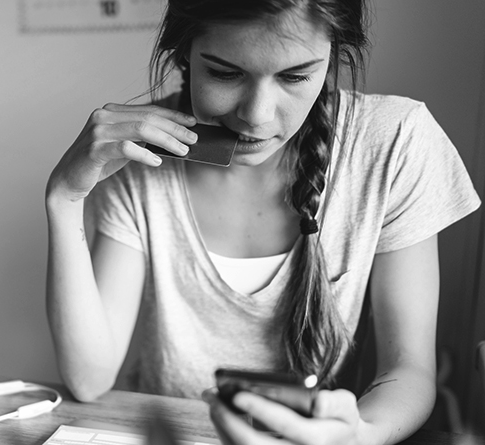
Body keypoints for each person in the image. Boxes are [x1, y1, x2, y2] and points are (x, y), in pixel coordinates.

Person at [44, 0, 480, 443]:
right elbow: (89, 378)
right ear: (184, 55)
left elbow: (408, 370)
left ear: (333, 56)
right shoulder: (140, 154)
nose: (257, 114)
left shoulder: (395, 141)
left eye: (295, 76)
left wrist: (359, 436)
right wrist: (65, 196)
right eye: (225, 73)